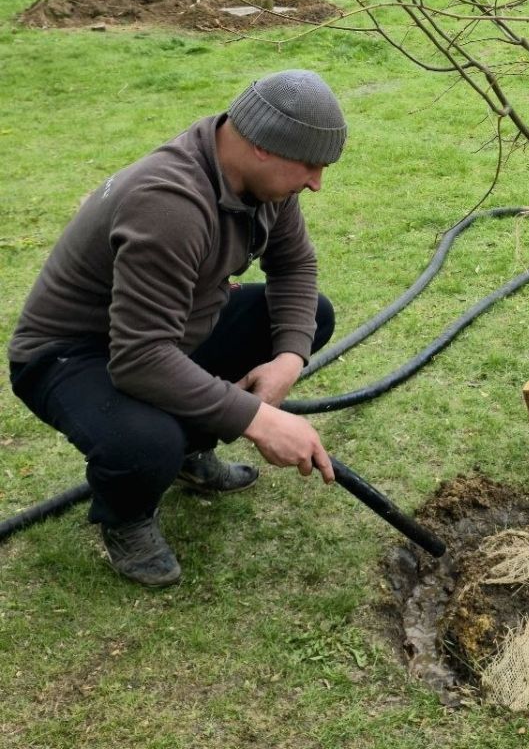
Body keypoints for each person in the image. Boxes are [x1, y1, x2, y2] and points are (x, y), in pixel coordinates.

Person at [8, 70, 346, 587]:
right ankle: (127, 516)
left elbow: (294, 267)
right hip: (70, 355)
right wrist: (257, 419)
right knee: (147, 442)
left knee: (307, 316)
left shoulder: (266, 182)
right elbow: (139, 359)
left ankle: (189, 453)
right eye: (311, 166)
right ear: (260, 147)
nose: (317, 183)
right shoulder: (170, 204)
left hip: (164, 333)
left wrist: (289, 359)